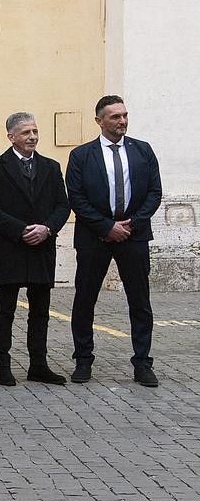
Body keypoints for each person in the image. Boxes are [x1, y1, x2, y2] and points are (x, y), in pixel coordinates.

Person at [67, 95, 161, 387]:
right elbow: (77, 197)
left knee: (140, 301)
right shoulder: (82, 155)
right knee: (85, 299)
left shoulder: (142, 151)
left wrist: (131, 224)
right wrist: (107, 226)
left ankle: (142, 363)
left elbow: (154, 193)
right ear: (99, 121)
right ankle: (83, 360)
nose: (122, 121)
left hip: (134, 236)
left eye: (124, 115)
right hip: (95, 237)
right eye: (114, 117)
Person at [0, 112, 70, 387]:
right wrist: (20, 230)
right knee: (6, 308)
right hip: (12, 246)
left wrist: (47, 228)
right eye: (25, 133)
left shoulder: (51, 167)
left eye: (34, 131)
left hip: (42, 247)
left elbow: (62, 206)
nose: (32, 137)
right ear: (11, 137)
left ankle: (38, 365)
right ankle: (2, 364)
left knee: (40, 309)